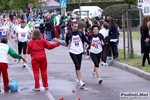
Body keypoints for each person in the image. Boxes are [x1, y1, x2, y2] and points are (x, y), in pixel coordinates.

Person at [65, 21, 91, 88]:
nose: (76, 28)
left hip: (79, 51)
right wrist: (66, 44)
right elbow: (67, 41)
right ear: (72, 26)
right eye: (74, 26)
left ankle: (76, 75)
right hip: (72, 51)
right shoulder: (69, 34)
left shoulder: (80, 33)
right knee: (77, 64)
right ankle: (81, 81)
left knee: (79, 65)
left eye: (77, 26)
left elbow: (85, 39)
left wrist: (90, 43)